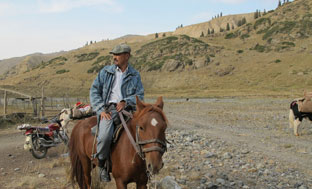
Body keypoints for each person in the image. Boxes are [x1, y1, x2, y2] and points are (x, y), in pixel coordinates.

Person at [90, 44, 144, 182]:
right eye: (113, 54)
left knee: (146, 131)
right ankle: (102, 164)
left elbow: (140, 95)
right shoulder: (105, 72)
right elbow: (94, 90)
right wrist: (101, 109)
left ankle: (147, 164)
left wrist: (126, 101)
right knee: (105, 136)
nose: (114, 57)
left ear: (127, 56)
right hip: (108, 110)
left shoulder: (135, 75)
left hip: (128, 109)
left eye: (118, 54)